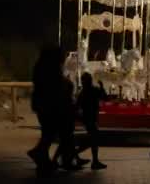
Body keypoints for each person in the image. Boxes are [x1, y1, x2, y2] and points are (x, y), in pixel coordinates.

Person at [27, 46, 79, 175]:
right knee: (57, 133)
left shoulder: (41, 69)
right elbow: (57, 88)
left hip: (45, 106)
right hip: (52, 107)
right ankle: (51, 157)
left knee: (49, 134)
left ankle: (44, 158)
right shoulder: (51, 71)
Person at [75, 72, 108, 170]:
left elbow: (77, 106)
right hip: (91, 118)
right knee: (93, 139)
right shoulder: (94, 90)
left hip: (87, 118)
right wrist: (102, 87)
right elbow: (105, 98)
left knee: (93, 139)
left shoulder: (82, 92)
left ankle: (78, 156)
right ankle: (92, 160)